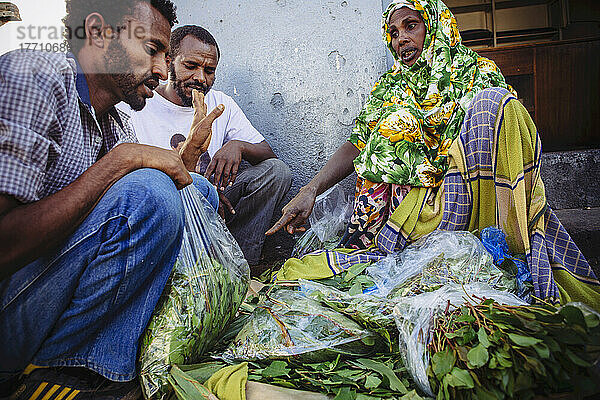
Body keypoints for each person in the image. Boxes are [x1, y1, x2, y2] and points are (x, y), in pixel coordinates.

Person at [267, 0, 600, 310]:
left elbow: (498, 135)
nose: (401, 39)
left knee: (495, 103)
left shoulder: (476, 72)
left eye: (411, 26)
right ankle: (388, 243)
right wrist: (310, 189)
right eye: (393, 32)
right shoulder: (390, 87)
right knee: (391, 126)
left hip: (467, 195)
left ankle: (501, 238)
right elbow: (358, 143)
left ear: (436, 24)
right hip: (407, 211)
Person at [0, 0, 224, 398]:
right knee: (149, 192)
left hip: (45, 298)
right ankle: (53, 371)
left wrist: (183, 160)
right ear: (100, 32)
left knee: (197, 190)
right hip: (10, 314)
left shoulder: (114, 123)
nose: (160, 70)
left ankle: (103, 366)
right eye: (153, 50)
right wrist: (120, 164)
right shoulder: (35, 76)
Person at [120, 25, 292, 270]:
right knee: (195, 188)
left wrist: (238, 146)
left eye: (209, 71)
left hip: (218, 209)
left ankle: (239, 269)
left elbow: (268, 154)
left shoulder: (221, 103)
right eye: (190, 66)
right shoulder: (140, 103)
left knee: (276, 172)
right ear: (169, 62)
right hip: (165, 209)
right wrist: (200, 191)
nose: (201, 78)